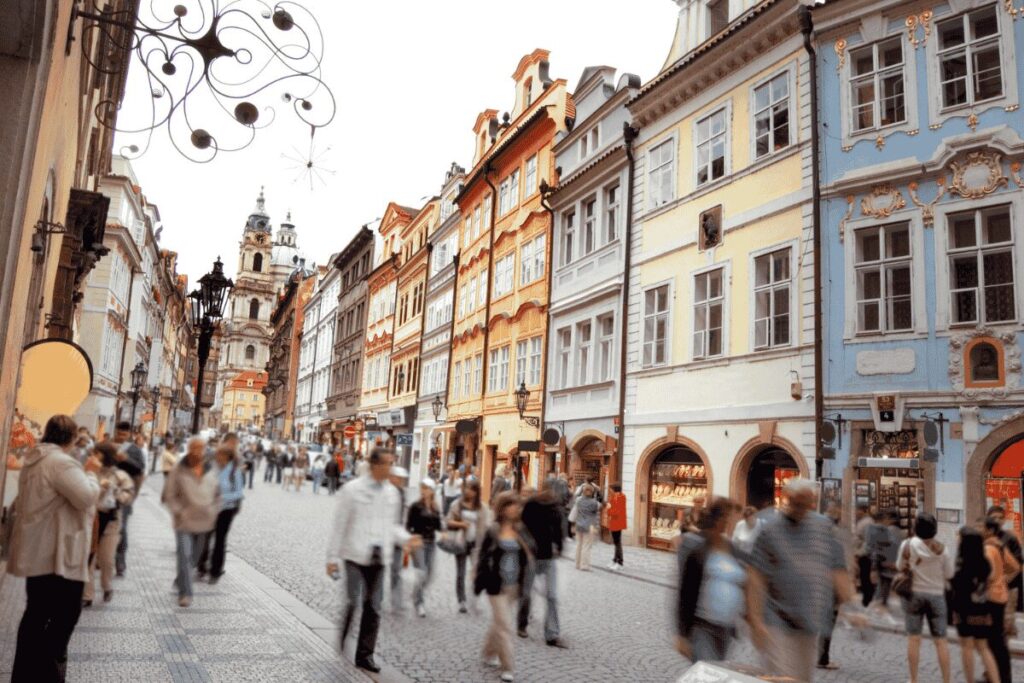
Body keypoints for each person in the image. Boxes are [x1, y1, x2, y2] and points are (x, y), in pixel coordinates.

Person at [8, 415, 100, 682]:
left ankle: (25, 674)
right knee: (67, 613)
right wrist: (92, 473)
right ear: (71, 439)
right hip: (57, 555)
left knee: (35, 615)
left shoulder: (35, 458)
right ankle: (46, 672)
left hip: (37, 551)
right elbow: (85, 497)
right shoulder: (60, 462)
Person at [746, 478, 864, 682]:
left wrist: (853, 606)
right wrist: (756, 621)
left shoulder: (822, 527)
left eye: (807, 502)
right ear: (787, 498)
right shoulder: (769, 530)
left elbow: (837, 569)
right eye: (798, 503)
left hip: (809, 623)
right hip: (776, 622)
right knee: (783, 678)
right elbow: (756, 578)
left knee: (802, 678)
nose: (802, 508)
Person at [326, 448, 418, 673]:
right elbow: (340, 525)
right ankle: (344, 633)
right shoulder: (352, 490)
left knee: (374, 607)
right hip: (355, 555)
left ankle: (365, 655)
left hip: (379, 557)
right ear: (375, 465)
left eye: (391, 463)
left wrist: (407, 538)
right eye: (387, 463)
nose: (390, 468)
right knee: (354, 600)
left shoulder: (392, 494)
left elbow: (393, 527)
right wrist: (331, 558)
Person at [474, 492, 534, 683]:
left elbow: (531, 551)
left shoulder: (520, 529)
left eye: (518, 505)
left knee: (499, 622)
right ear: (503, 507)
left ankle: (488, 651)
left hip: (514, 584)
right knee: (506, 626)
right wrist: (478, 582)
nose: (516, 508)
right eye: (512, 505)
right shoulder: (493, 530)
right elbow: (483, 558)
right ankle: (507, 666)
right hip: (496, 584)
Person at [675, 497, 744, 662]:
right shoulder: (698, 548)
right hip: (703, 626)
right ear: (718, 518)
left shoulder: (731, 548)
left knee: (716, 672)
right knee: (706, 671)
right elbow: (686, 592)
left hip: (725, 627)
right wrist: (682, 634)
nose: (729, 522)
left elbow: (742, 580)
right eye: (727, 517)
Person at [162, 436, 219, 607]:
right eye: (194, 448)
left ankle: (181, 580)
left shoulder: (211, 469)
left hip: (205, 521)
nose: (197, 451)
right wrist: (179, 511)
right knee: (184, 555)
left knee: (194, 557)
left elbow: (218, 493)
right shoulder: (179, 469)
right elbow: (169, 494)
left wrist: (214, 509)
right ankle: (186, 593)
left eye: (200, 448)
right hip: (184, 521)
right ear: (188, 448)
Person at [896, 512, 953, 683]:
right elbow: (949, 573)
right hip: (936, 596)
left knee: (914, 638)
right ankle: (946, 680)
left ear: (915, 528)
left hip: (914, 594)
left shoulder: (907, 545)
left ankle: (914, 679)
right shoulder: (943, 549)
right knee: (941, 641)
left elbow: (900, 566)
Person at [82, 442, 134, 607]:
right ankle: (87, 595)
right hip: (91, 519)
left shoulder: (119, 475)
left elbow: (128, 497)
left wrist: (113, 489)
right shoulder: (89, 471)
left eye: (96, 454)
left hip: (111, 521)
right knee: (88, 558)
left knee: (106, 559)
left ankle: (107, 586)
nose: (93, 457)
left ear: (104, 455)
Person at [517, 479, 566, 646]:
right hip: (531, 556)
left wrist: (559, 547)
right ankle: (522, 624)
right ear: (543, 490)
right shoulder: (531, 505)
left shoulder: (556, 507)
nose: (551, 494)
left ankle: (552, 635)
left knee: (552, 595)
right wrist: (525, 547)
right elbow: (521, 528)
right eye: (550, 490)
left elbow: (559, 531)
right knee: (526, 593)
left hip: (548, 557)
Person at [951, 527, 1002, 683]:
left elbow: (956, 587)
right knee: (983, 647)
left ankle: (969, 681)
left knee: (966, 647)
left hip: (964, 610)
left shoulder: (961, 565)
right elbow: (991, 577)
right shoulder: (984, 563)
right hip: (982, 609)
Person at [196, 446, 244, 583]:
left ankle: (215, 571)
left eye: (220, 455)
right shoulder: (213, 468)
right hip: (211, 508)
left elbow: (238, 493)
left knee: (219, 540)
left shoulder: (234, 471)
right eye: (217, 455)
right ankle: (202, 565)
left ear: (227, 457)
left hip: (226, 510)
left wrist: (223, 496)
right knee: (205, 536)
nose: (217, 457)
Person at [983, 516, 1019, 683]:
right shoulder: (999, 545)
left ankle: (997, 677)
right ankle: (998, 676)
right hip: (1000, 596)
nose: (979, 530)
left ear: (989, 530)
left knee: (993, 640)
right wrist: (1003, 580)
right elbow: (1016, 567)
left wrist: (997, 580)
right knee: (997, 639)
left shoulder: (989, 548)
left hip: (991, 598)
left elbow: (985, 575)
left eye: (981, 527)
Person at [448, 478, 489, 614]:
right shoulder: (457, 504)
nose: (469, 491)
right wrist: (461, 524)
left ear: (477, 492)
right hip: (461, 542)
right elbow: (448, 521)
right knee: (461, 573)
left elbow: (483, 527)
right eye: (468, 488)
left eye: (472, 489)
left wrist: (483, 545)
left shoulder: (481, 507)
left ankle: (474, 599)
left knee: (476, 573)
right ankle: (462, 601)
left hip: (475, 544)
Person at [112, 421, 145, 577]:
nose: (120, 437)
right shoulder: (108, 446)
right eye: (119, 434)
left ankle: (120, 560)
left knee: (122, 528)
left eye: (124, 435)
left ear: (129, 435)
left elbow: (140, 469)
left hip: (125, 493)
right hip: (107, 491)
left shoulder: (134, 450)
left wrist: (125, 459)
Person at [407, 478, 442, 618]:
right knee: (421, 572)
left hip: (431, 543)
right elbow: (408, 526)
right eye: (422, 488)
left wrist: (445, 530)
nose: (424, 491)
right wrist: (410, 540)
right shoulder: (415, 506)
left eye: (427, 488)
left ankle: (416, 593)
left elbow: (438, 526)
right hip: (419, 542)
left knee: (429, 575)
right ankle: (419, 603)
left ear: (432, 491)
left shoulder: (435, 507)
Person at [988, 504, 1023, 615]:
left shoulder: (1010, 538)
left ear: (1004, 520)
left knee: (1009, 620)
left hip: (1010, 587)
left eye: (1000, 518)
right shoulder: (984, 537)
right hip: (990, 588)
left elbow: (1018, 564)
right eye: (994, 517)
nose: (997, 520)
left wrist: (1004, 581)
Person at [867, 508, 902, 616]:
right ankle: (880, 606)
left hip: (886, 563)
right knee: (884, 586)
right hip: (892, 564)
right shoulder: (899, 532)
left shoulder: (886, 531)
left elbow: (879, 549)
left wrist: (874, 566)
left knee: (883, 586)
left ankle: (877, 608)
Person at [389, 465, 410, 612]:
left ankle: (397, 600)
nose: (401, 481)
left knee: (396, 570)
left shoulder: (402, 493)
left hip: (397, 536)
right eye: (399, 478)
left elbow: (403, 516)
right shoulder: (386, 492)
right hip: (385, 536)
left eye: (403, 479)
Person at [853, 503, 876, 607]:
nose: (856, 512)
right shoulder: (863, 522)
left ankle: (868, 599)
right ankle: (868, 598)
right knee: (864, 577)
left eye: (858, 510)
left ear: (863, 511)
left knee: (865, 577)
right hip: (863, 553)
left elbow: (868, 541)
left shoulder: (867, 522)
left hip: (866, 555)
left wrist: (860, 553)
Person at [574, 484, 600, 571]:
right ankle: (584, 565)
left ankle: (577, 563)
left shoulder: (578, 500)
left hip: (579, 524)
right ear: (592, 493)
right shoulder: (594, 502)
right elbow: (597, 510)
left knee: (579, 545)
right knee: (586, 546)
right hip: (588, 526)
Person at [605, 483, 627, 570]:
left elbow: (616, 511)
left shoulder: (621, 498)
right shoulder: (615, 497)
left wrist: (609, 509)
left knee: (617, 542)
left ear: (615, 489)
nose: (610, 491)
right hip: (614, 522)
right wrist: (609, 507)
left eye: (611, 489)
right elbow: (611, 507)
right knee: (616, 542)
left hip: (618, 523)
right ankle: (615, 560)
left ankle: (619, 561)